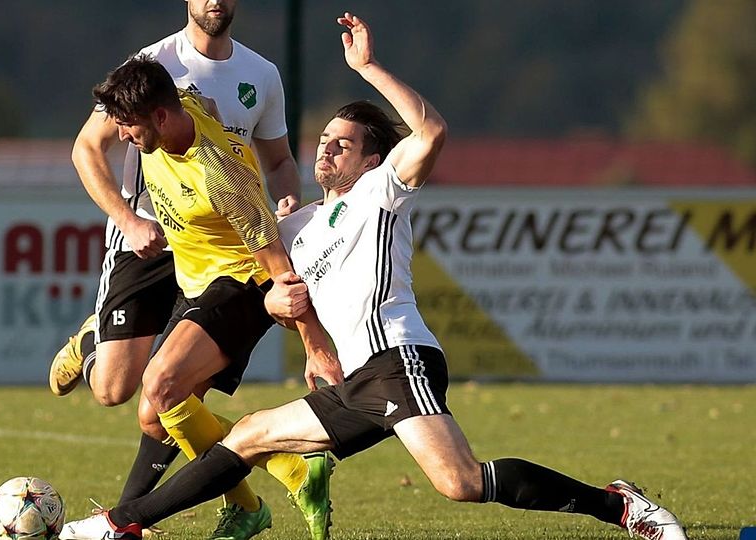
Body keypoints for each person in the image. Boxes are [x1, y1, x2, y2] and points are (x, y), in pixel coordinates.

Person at [56, 12, 689, 540]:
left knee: (460, 483)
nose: (325, 150)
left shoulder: (381, 192)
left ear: (373, 160)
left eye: (342, 143)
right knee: (248, 436)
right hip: (356, 379)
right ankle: (119, 524)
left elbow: (432, 131)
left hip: (398, 360)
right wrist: (292, 320)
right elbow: (274, 279)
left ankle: (620, 506)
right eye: (324, 140)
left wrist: (367, 70)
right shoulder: (304, 223)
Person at [48, 0, 310, 534]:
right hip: (149, 241)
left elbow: (278, 160)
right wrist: (127, 219)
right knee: (113, 390)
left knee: (170, 397)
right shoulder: (151, 65)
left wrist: (284, 201)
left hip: (221, 256)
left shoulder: (262, 75)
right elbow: (85, 148)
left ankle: (130, 520)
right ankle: (94, 341)